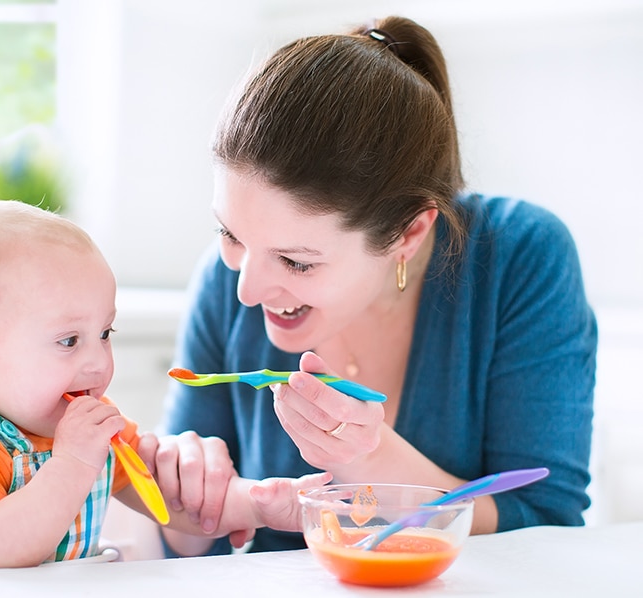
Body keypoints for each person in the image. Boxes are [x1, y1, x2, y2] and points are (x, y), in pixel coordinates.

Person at [158, 15, 597, 556]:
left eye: (296, 262)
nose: (246, 289)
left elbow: (546, 522)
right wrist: (184, 498)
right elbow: (180, 545)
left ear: (409, 233)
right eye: (230, 233)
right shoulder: (225, 280)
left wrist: (368, 460)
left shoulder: (521, 258)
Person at [0, 199, 330, 572]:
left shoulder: (93, 427)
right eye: (68, 340)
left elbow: (173, 500)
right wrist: (72, 463)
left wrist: (265, 504)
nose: (98, 362)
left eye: (105, 334)